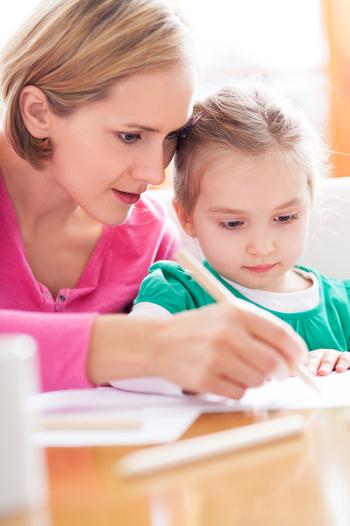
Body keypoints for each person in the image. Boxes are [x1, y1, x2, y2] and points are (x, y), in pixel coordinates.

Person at [0, 0, 305, 397]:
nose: (154, 172)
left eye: (171, 137)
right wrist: (142, 345)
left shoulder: (149, 238)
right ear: (38, 112)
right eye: (130, 136)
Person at [132, 82, 350, 377]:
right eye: (233, 223)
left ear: (309, 203)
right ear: (187, 218)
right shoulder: (176, 292)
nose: (262, 246)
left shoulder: (343, 303)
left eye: (285, 218)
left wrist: (343, 364)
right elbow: (128, 366)